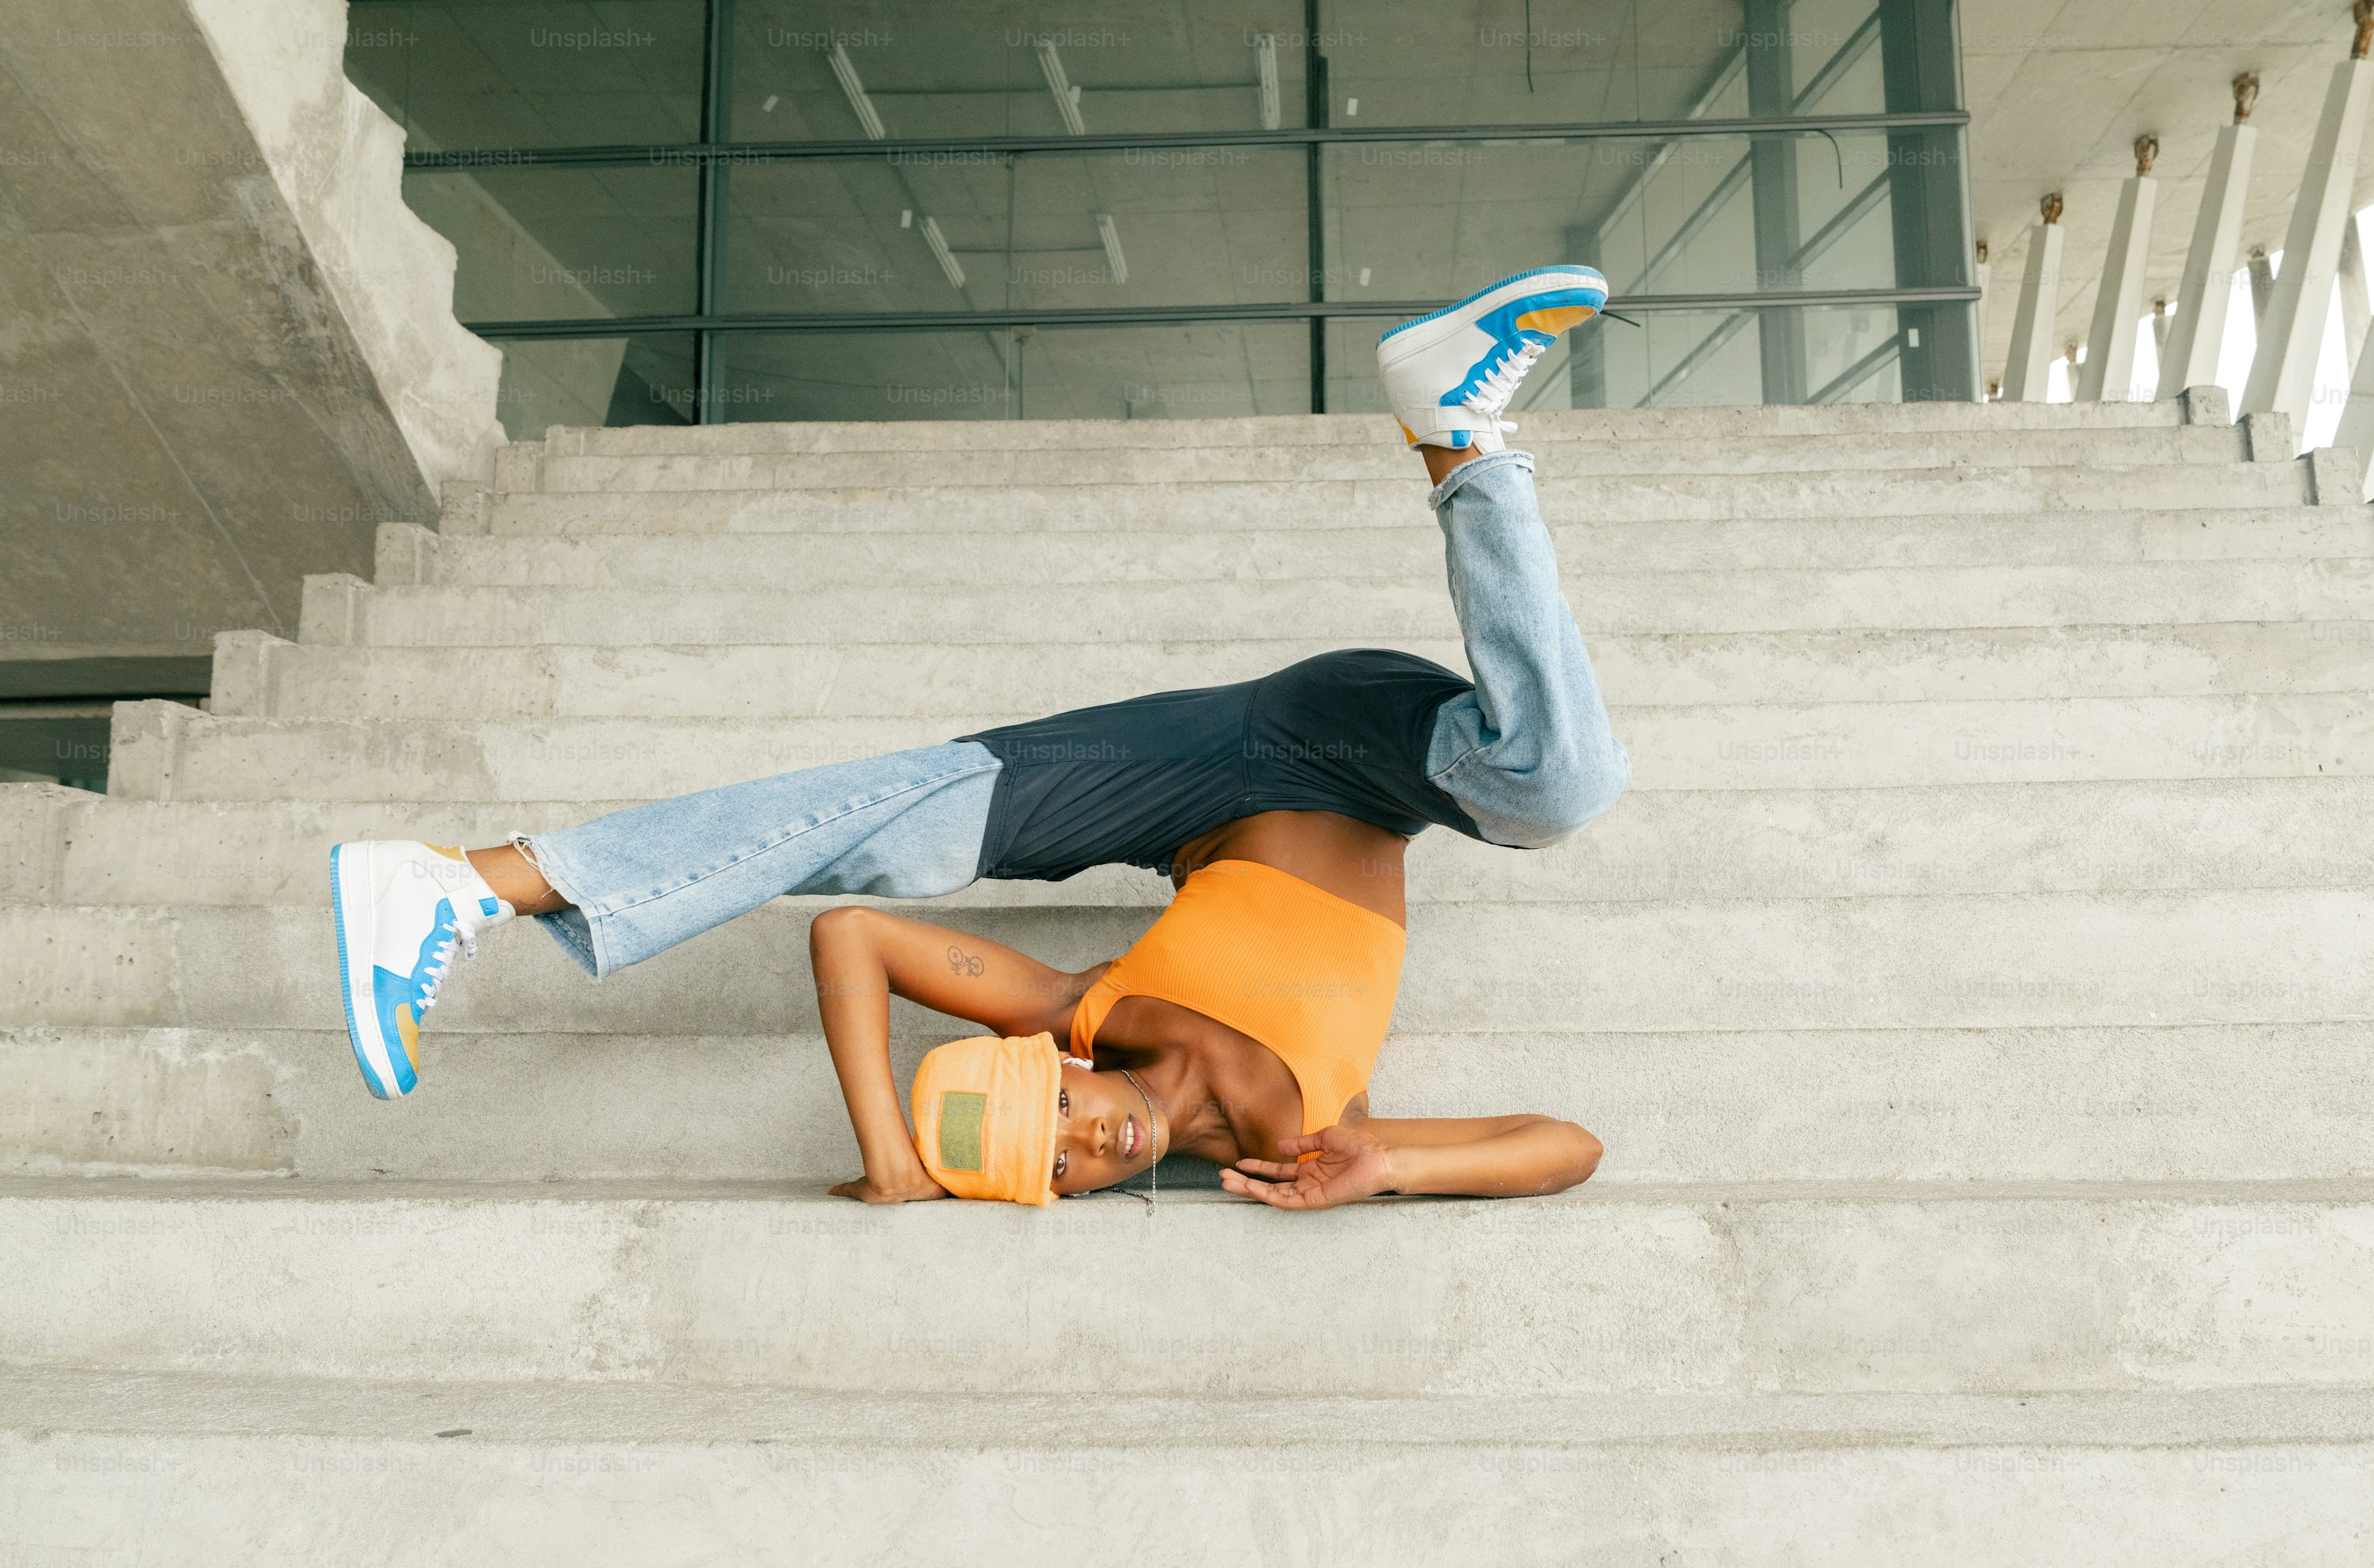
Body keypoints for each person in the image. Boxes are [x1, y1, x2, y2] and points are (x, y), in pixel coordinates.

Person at [331, 265, 1631, 1212]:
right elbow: (1565, 1145)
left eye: (1048, 1121)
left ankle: (469, 879)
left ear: (1043, 1068)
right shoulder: (1306, 1135)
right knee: (1555, 786)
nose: (1083, 1148)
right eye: (1055, 1173)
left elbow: (852, 939)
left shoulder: (1081, 1014)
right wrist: (1394, 1164)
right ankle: (1467, 445)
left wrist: (890, 1149)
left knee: (908, 833)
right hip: (1360, 767)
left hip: (1232, 746)